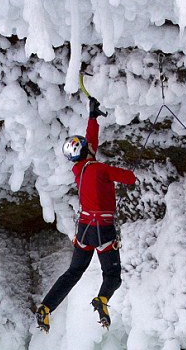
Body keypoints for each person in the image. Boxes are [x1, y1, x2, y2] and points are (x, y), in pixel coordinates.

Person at [36, 95, 136, 331]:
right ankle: (102, 299)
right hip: (103, 230)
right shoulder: (99, 168)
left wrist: (92, 118)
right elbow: (130, 178)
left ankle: (46, 307)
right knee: (112, 275)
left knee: (74, 272)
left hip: (85, 230)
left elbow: (89, 146)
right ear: (86, 152)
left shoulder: (79, 170)